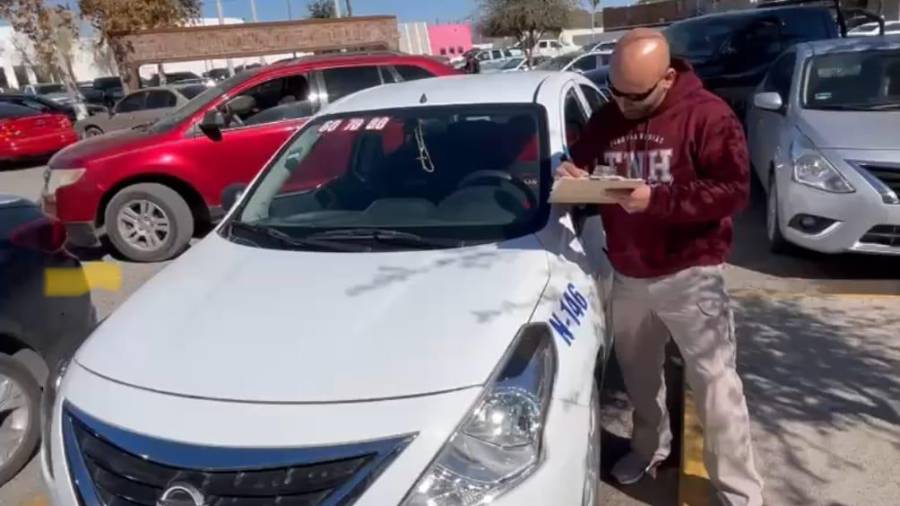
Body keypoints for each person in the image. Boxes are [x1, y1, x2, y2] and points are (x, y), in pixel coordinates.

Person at [557, 28, 765, 506]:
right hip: (629, 273)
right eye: (616, 92)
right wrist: (575, 175)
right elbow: (582, 164)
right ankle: (649, 449)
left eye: (637, 95)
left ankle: (740, 491)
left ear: (668, 77)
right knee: (639, 378)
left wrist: (657, 200)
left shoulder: (708, 116)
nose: (624, 105)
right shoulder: (608, 116)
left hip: (691, 274)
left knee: (716, 386)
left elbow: (733, 191)